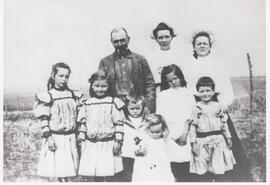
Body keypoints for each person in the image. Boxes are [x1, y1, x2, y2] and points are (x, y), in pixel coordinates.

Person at [184, 31, 253, 182]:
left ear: (210, 46)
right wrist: (194, 108)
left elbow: (227, 88)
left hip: (216, 108)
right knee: (199, 147)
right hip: (198, 108)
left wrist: (222, 106)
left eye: (205, 43)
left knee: (224, 145)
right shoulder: (189, 65)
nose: (202, 46)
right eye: (199, 44)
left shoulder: (218, 65)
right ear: (194, 47)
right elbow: (187, 89)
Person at [33, 62, 82, 182]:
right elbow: (44, 120)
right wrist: (49, 138)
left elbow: (79, 118)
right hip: (56, 138)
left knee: (70, 172)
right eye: (61, 76)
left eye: (67, 76)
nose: (64, 79)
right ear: (53, 76)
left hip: (71, 138)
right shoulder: (48, 96)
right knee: (58, 170)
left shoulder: (73, 95)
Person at [76, 70, 125, 182]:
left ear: (108, 87)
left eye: (103, 86)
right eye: (97, 86)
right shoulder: (87, 104)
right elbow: (83, 123)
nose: (100, 89)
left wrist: (118, 141)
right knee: (96, 172)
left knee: (109, 172)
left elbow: (119, 124)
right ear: (92, 86)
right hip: (92, 144)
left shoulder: (112, 103)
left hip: (108, 143)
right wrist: (81, 138)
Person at [189, 76, 236, 182]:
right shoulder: (196, 108)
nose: (205, 94)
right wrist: (193, 143)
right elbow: (193, 127)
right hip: (202, 141)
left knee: (218, 168)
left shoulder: (218, 106)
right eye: (202, 91)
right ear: (198, 92)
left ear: (214, 91)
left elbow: (224, 124)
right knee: (204, 169)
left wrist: (228, 137)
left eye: (208, 90)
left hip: (218, 140)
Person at [98, 27, 156, 113]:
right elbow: (100, 85)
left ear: (128, 39)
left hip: (137, 106)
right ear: (111, 42)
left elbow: (150, 84)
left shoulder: (140, 60)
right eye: (116, 41)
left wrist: (148, 106)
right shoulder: (105, 62)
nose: (120, 44)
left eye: (122, 40)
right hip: (114, 107)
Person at [157, 64, 195, 182]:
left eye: (175, 79)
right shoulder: (162, 95)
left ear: (180, 78)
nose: (173, 82)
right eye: (169, 81)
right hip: (169, 134)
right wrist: (171, 136)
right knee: (173, 166)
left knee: (187, 164)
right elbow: (161, 117)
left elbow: (190, 117)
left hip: (186, 132)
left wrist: (184, 135)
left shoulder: (188, 94)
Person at [132, 113, 175, 182]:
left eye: (157, 132)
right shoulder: (144, 138)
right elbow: (136, 148)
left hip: (160, 166)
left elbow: (170, 149)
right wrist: (139, 151)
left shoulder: (164, 140)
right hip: (145, 167)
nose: (154, 134)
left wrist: (165, 137)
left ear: (163, 130)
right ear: (147, 129)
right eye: (152, 132)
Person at [116, 93, 146, 182]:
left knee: (140, 176)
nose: (135, 111)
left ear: (142, 108)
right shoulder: (124, 121)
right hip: (126, 154)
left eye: (138, 108)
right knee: (127, 177)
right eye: (132, 109)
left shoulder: (145, 121)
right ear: (127, 108)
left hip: (141, 154)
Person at [149, 22, 187, 89]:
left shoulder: (179, 56)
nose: (164, 40)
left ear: (171, 37)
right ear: (156, 39)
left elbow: (183, 79)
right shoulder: (151, 58)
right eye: (160, 38)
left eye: (167, 37)